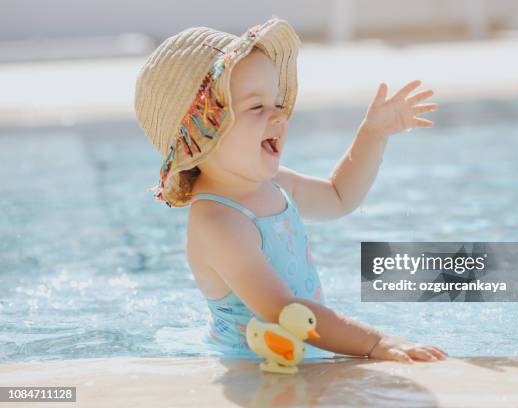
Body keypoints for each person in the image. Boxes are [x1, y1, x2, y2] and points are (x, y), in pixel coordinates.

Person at [134, 16, 447, 363]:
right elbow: (284, 310)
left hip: (305, 343)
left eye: (278, 104)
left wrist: (373, 134)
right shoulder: (218, 222)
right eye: (257, 106)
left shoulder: (273, 183)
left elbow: (338, 196)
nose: (279, 117)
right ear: (202, 134)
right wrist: (375, 342)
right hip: (253, 367)